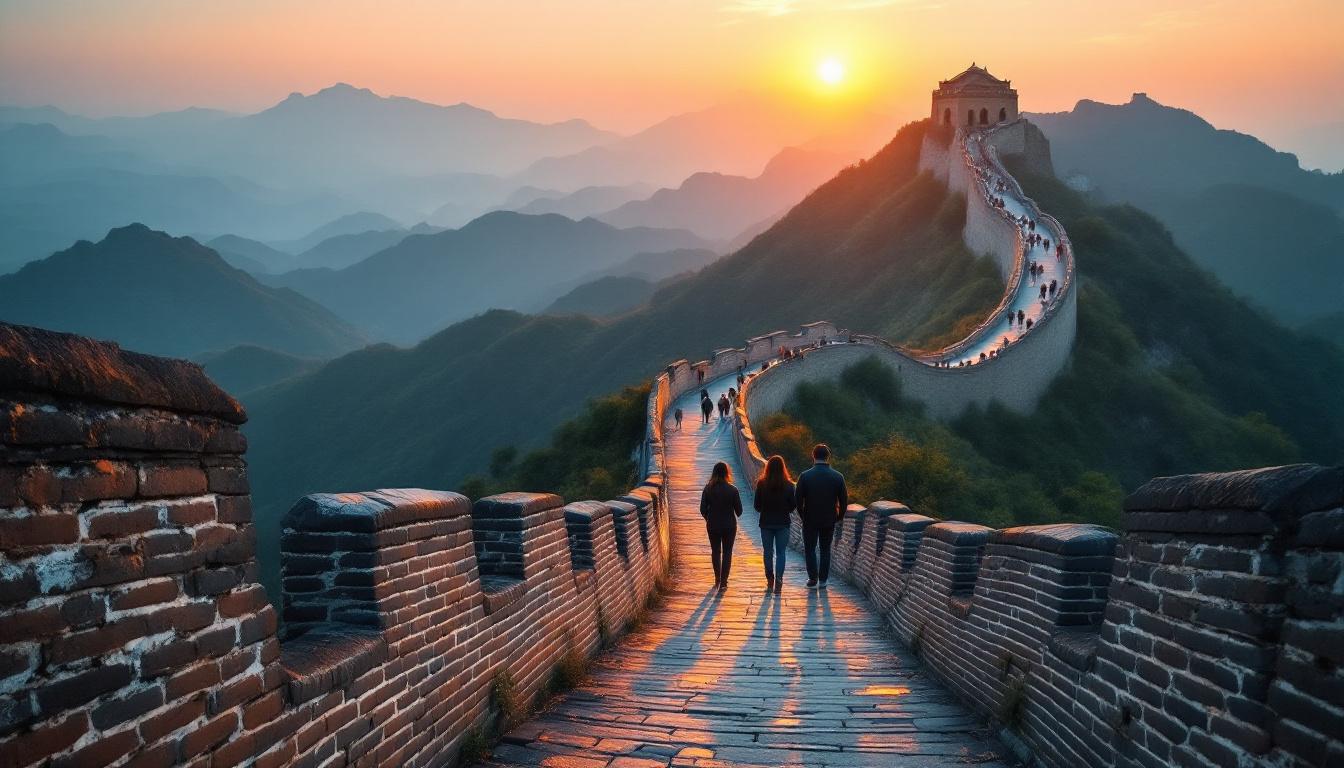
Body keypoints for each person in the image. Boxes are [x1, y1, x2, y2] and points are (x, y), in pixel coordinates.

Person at [794, 444, 848, 589]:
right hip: (829, 519)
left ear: (813, 455)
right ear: (828, 457)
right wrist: (839, 517)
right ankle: (823, 580)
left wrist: (803, 516)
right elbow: (844, 501)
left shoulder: (805, 476)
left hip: (810, 519)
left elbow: (798, 500)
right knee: (825, 549)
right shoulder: (838, 477)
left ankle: (812, 579)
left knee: (810, 549)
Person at [754, 455, 795, 594]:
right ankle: (779, 580)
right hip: (783, 523)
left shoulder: (761, 484)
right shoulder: (789, 486)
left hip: (766, 523)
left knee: (767, 552)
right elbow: (793, 506)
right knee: (781, 552)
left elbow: (756, 506)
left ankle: (770, 579)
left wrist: (766, 509)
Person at [700, 461, 742, 592]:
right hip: (729, 525)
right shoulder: (733, 490)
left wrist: (709, 518)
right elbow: (739, 512)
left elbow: (702, 509)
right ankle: (724, 582)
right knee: (727, 552)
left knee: (715, 551)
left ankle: (717, 578)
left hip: (713, 525)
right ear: (727, 473)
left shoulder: (708, 489)